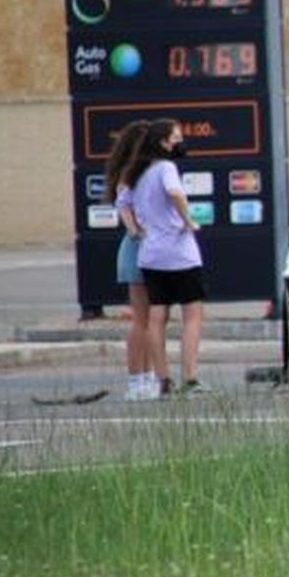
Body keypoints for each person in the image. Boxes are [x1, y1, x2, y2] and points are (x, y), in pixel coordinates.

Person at [125, 119, 208, 396]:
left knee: (156, 317)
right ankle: (190, 379)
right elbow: (175, 193)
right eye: (176, 137)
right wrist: (188, 220)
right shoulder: (166, 168)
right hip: (180, 254)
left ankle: (163, 381)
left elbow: (122, 202)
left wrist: (134, 229)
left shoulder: (138, 172)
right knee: (192, 315)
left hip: (150, 255)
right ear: (163, 142)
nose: (180, 142)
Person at [103, 120, 163, 402]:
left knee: (151, 319)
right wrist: (138, 230)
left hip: (150, 248)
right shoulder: (132, 176)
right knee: (142, 320)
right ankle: (136, 380)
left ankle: (148, 377)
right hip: (140, 248)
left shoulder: (144, 173)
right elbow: (127, 211)